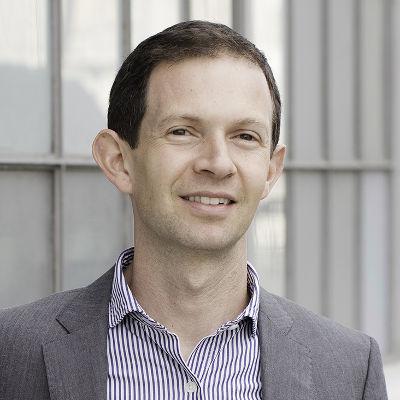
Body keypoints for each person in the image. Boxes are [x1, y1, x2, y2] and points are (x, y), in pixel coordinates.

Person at [0, 20, 387, 400]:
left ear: (270, 170)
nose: (217, 163)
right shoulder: (11, 353)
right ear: (118, 160)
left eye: (245, 137)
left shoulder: (350, 370)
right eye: (182, 131)